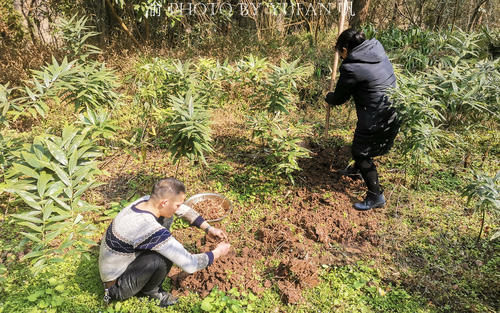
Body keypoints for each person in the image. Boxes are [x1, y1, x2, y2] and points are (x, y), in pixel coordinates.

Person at [98, 177, 231, 307]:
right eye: (177, 204)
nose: (179, 207)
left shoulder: (145, 202)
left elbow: (182, 210)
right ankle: (151, 292)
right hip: (116, 286)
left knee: (166, 217)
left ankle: (149, 275)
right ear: (164, 203)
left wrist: (209, 228)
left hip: (121, 263)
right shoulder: (148, 228)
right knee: (161, 258)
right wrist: (218, 252)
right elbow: (190, 264)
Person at [325, 28, 400, 211]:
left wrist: (328, 96)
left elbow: (340, 98)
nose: (341, 57)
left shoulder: (352, 68)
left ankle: (376, 196)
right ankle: (357, 171)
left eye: (340, 53)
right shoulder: (376, 50)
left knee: (360, 152)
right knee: (361, 147)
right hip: (393, 110)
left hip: (377, 116)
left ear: (344, 50)